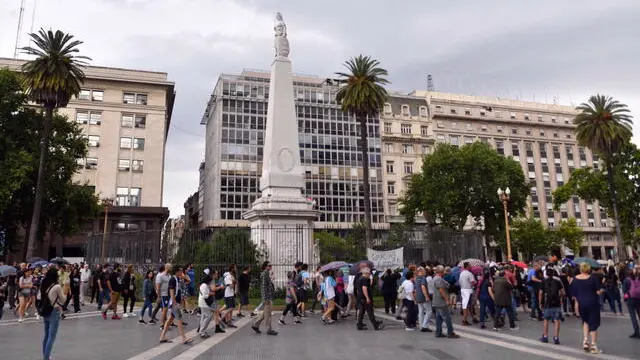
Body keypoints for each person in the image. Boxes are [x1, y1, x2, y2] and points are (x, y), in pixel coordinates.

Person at [572, 262, 604, 354]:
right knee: (593, 324)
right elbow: (598, 292)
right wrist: (601, 290)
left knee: (585, 321)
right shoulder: (593, 278)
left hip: (582, 303)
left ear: (580, 269)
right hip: (592, 302)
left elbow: (574, 296)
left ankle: (585, 341)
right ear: (588, 269)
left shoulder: (575, 279)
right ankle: (593, 345)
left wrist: (576, 305)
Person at [159, 266, 192, 344]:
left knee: (170, 320)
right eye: (181, 271)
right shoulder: (173, 279)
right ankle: (184, 338)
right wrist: (174, 303)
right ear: (176, 271)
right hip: (174, 303)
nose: (182, 272)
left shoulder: (177, 279)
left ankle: (162, 336)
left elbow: (187, 281)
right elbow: (171, 291)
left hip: (175, 302)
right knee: (179, 319)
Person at [40, 267, 68, 360]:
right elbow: (63, 300)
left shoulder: (44, 283)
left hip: (45, 310)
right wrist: (66, 288)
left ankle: (45, 355)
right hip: (54, 310)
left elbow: (40, 296)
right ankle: (46, 358)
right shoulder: (57, 286)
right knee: (51, 336)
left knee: (46, 335)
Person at [431, 265, 460, 339]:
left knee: (439, 318)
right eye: (443, 271)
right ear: (441, 271)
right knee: (447, 317)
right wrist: (447, 299)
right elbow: (441, 290)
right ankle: (450, 332)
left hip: (436, 301)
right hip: (441, 301)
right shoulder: (438, 279)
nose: (444, 272)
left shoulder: (436, 278)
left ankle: (438, 332)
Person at [539, 268, 565, 344]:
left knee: (546, 320)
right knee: (557, 320)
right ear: (553, 274)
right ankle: (556, 338)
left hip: (547, 303)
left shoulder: (543, 281)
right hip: (556, 302)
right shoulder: (557, 281)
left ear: (546, 274)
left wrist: (540, 302)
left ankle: (545, 336)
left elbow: (540, 293)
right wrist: (560, 297)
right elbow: (563, 292)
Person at [252, 261, 277, 335]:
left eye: (271, 265)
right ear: (266, 266)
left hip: (268, 297)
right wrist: (265, 299)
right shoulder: (265, 273)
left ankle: (255, 325)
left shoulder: (266, 274)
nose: (271, 267)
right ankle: (269, 330)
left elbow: (267, 285)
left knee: (265, 313)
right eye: (269, 266)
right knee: (268, 314)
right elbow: (263, 287)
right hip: (267, 298)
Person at [622, 265, 640, 338]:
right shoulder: (639, 278)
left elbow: (624, 291)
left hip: (630, 299)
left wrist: (626, 297)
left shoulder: (626, 280)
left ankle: (637, 332)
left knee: (633, 317)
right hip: (639, 298)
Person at [415, 267, 432, 332]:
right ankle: (425, 326)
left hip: (418, 297)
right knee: (429, 311)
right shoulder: (423, 278)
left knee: (421, 311)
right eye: (424, 271)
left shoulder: (416, 278)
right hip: (423, 297)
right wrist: (426, 296)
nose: (425, 272)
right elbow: (423, 287)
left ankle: (421, 326)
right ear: (422, 271)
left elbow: (416, 289)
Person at [458, 262, 476, 326]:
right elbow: (472, 282)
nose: (471, 266)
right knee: (467, 305)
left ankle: (473, 318)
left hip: (463, 289)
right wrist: (473, 286)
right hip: (468, 290)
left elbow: (459, 282)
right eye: (470, 265)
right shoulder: (469, 273)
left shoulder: (461, 273)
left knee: (468, 305)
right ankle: (464, 320)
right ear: (467, 266)